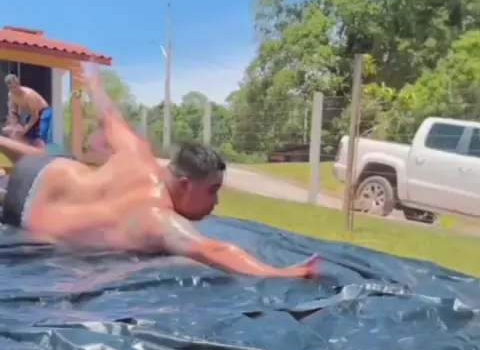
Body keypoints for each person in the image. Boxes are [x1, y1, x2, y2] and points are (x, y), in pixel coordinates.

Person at [0, 73, 319, 278]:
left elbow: (111, 119)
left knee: (66, 169)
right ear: (185, 184)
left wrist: (94, 85)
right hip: (26, 210)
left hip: (48, 168)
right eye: (211, 190)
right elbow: (216, 250)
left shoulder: (139, 156)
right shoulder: (157, 219)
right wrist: (282, 273)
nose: (216, 202)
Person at [4, 74, 52, 148]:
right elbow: (13, 110)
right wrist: (13, 122)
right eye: (11, 88)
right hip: (32, 113)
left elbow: (35, 115)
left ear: (19, 84)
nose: (14, 89)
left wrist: (25, 129)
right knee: (28, 135)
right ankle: (31, 150)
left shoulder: (28, 95)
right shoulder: (11, 95)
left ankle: (46, 151)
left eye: (15, 86)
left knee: (42, 133)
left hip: (45, 111)